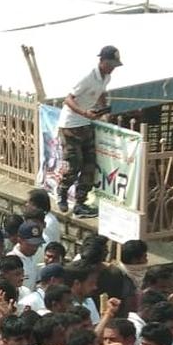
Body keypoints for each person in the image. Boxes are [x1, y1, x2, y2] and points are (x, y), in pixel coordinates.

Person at [55, 45, 122, 218]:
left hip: (86, 124)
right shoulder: (87, 77)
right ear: (102, 61)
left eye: (114, 65)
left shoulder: (106, 77)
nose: (112, 68)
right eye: (111, 64)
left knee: (89, 165)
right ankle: (61, 192)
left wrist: (102, 108)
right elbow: (68, 99)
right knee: (74, 163)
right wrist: (84, 112)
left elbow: (101, 93)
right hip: (71, 125)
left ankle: (80, 202)